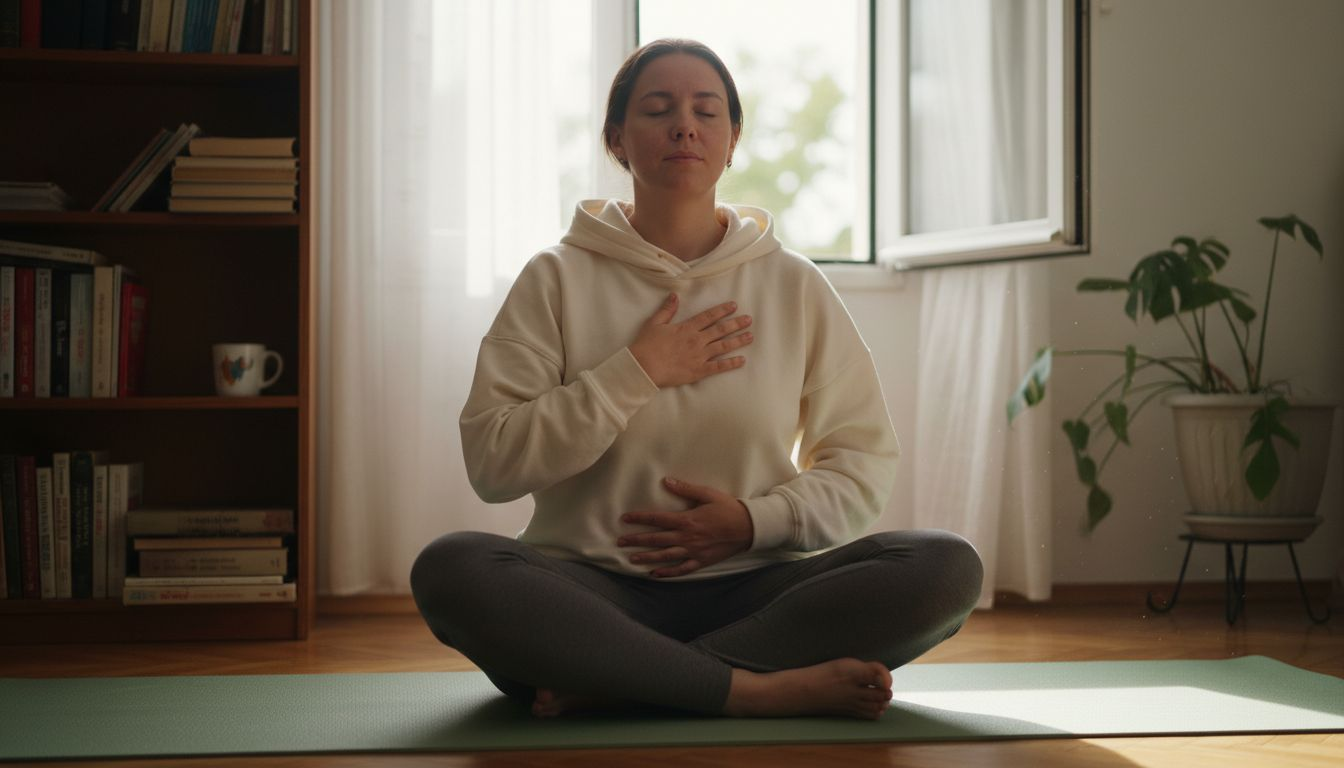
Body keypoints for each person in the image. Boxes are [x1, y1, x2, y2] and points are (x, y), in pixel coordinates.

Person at [410, 38, 983, 721]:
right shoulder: (554, 279)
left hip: (758, 591)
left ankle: (622, 679)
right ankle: (757, 689)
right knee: (453, 569)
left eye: (707, 111)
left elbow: (863, 464)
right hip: (590, 592)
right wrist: (638, 370)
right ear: (617, 138)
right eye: (659, 109)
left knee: (946, 566)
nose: (685, 125)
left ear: (732, 139)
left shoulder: (793, 284)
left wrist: (750, 523)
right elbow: (494, 462)